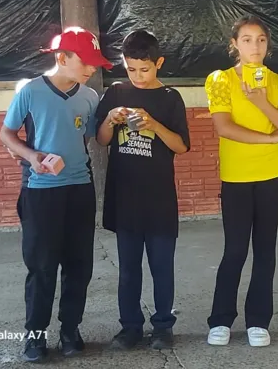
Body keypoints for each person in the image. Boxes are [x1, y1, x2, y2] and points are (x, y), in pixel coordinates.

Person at [0, 27, 112, 363]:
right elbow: (7, 133)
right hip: (41, 191)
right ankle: (34, 335)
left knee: (79, 265)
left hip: (79, 188)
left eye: (95, 63)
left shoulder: (90, 97)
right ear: (62, 58)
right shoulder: (31, 92)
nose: (92, 69)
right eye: (86, 62)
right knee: (42, 266)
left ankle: (70, 329)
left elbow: (94, 138)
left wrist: (114, 120)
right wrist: (31, 156)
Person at [204, 15, 278, 347]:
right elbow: (223, 127)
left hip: (273, 174)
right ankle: (220, 320)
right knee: (234, 249)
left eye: (260, 39)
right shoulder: (220, 80)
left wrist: (262, 102)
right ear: (235, 45)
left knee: (265, 249)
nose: (254, 46)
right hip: (236, 176)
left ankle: (258, 320)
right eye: (247, 39)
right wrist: (267, 139)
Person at [94, 30, 191, 351]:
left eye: (144, 69)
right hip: (125, 198)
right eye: (131, 69)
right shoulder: (116, 92)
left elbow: (181, 146)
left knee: (162, 267)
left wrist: (153, 124)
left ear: (159, 63)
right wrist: (109, 118)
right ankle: (130, 326)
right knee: (128, 269)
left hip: (160, 199)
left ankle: (163, 325)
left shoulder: (170, 98)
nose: (137, 76)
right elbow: (103, 139)